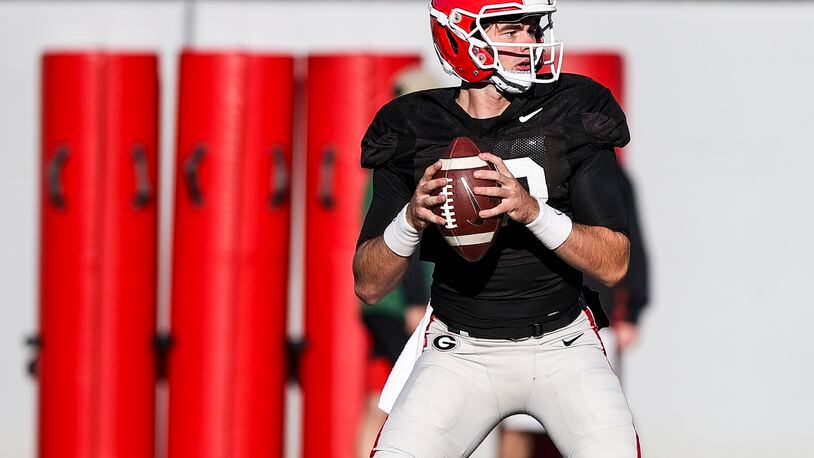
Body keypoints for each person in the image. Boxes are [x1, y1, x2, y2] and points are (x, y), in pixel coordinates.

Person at [353, 0, 641, 456]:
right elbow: (368, 284)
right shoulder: (411, 125)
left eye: (533, 29)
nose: (530, 43)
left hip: (563, 345)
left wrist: (532, 212)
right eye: (511, 31)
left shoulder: (574, 109)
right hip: (457, 350)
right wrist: (411, 218)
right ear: (460, 38)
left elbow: (614, 264)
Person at [499, 161, 651, 457]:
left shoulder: (610, 173)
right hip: (522, 314)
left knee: (599, 426)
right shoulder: (515, 157)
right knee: (517, 426)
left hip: (592, 319)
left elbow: (632, 245)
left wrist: (632, 311)